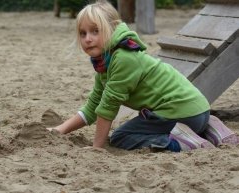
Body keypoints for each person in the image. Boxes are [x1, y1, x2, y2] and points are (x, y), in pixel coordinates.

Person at [48, 0, 238, 152]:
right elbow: (93, 106)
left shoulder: (123, 58)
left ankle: (183, 142)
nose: (88, 38)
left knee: (121, 137)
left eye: (95, 31)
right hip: (198, 110)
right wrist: (60, 130)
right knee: (135, 127)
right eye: (83, 33)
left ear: (112, 29)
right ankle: (212, 128)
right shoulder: (106, 63)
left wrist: (97, 147)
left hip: (182, 113)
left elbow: (108, 107)